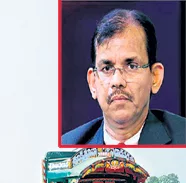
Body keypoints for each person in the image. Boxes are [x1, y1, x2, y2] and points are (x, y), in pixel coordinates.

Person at [62, 9, 186, 145]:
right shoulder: (68, 146)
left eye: (131, 66)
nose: (117, 81)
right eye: (107, 68)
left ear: (155, 77)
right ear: (93, 82)